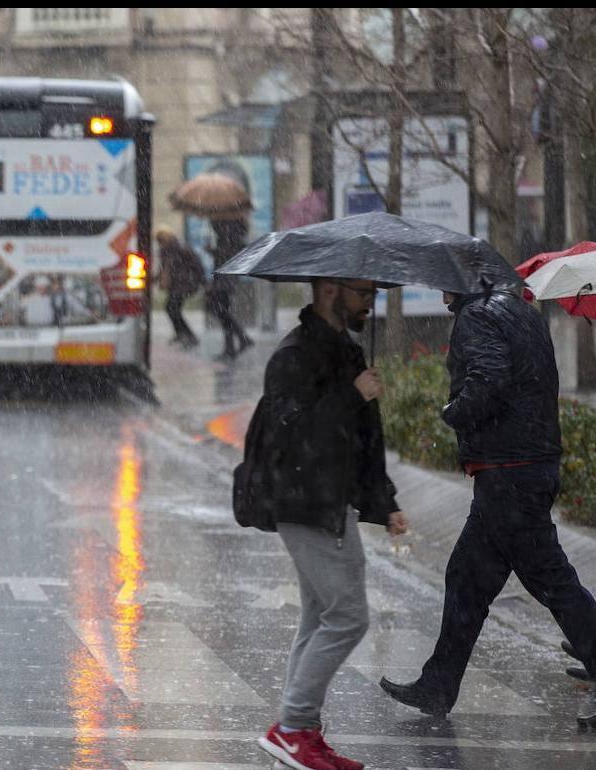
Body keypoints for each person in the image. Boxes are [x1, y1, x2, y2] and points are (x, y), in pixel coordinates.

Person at [380, 287, 596, 724]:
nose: (440, 289)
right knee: (467, 578)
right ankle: (437, 686)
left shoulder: (477, 316)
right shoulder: (519, 309)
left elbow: (489, 378)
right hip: (524, 466)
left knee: (550, 579)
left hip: (509, 472)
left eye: (445, 281)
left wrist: (452, 411)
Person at [251, 278, 409, 770]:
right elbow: (291, 436)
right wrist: (351, 395)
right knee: (348, 617)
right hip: (304, 502)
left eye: (374, 294)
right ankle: (293, 728)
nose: (370, 303)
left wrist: (385, 502)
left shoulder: (346, 351)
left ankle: (303, 731)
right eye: (363, 293)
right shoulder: (294, 356)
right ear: (328, 291)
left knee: (320, 617)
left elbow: (365, 437)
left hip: (329, 501)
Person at [206, 218, 254, 360]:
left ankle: (239, 341)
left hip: (224, 281)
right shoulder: (233, 237)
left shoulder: (228, 237)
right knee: (222, 312)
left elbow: (225, 257)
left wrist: (213, 251)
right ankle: (235, 344)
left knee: (220, 311)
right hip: (226, 280)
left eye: (215, 225)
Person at [155, 226, 204, 348]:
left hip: (184, 284)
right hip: (176, 285)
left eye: (161, 240)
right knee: (171, 309)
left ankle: (187, 335)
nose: (160, 243)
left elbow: (197, 265)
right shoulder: (165, 252)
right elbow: (163, 269)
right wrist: (154, 279)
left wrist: (199, 281)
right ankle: (183, 333)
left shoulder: (181, 249)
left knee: (172, 308)